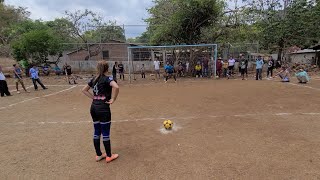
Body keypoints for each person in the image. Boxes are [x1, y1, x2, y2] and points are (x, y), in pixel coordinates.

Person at [82, 60, 119, 163]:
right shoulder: (107, 79)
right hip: (103, 109)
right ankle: (108, 156)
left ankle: (98, 155)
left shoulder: (93, 79)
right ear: (107, 69)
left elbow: (84, 90)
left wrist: (94, 97)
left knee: (97, 131)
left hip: (93, 107)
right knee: (105, 133)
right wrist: (113, 99)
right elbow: (116, 87)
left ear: (97, 69)